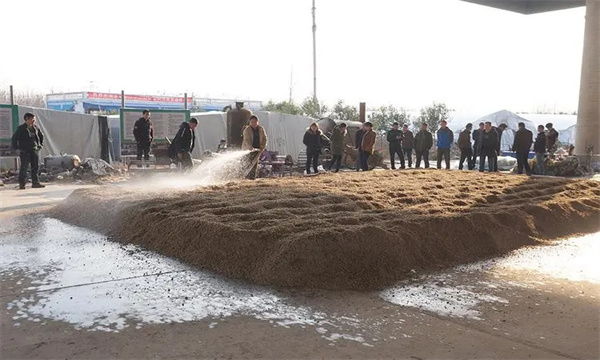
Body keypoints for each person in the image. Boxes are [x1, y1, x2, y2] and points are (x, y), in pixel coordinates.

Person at [11, 112, 45, 189]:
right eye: (32, 119)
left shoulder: (35, 128)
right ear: (27, 119)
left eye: (34, 119)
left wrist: (40, 145)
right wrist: (17, 148)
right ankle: (22, 183)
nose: (33, 121)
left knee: (35, 167)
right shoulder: (21, 128)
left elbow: (41, 136)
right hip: (25, 151)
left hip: (34, 150)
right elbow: (14, 138)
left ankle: (35, 182)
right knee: (24, 167)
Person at [242, 115, 268, 180]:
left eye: (255, 122)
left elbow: (265, 139)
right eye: (252, 122)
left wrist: (263, 147)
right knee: (248, 163)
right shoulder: (247, 130)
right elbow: (246, 140)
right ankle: (245, 177)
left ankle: (252, 177)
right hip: (248, 150)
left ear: (257, 122)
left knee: (255, 163)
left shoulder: (261, 129)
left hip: (257, 149)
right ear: (250, 122)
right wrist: (250, 147)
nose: (254, 123)